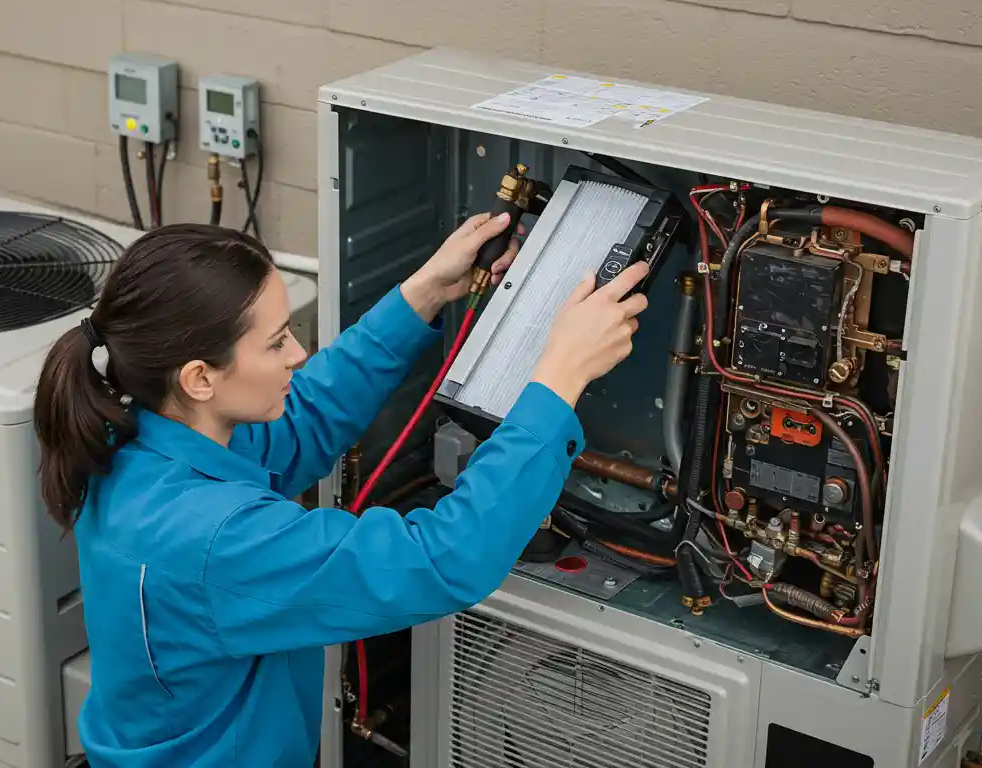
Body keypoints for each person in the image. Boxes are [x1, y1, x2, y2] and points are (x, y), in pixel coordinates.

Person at [33, 213, 650, 767]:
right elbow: (437, 560)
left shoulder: (141, 435)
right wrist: (557, 381)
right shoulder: (211, 538)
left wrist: (425, 293)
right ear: (200, 378)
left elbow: (299, 424)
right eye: (275, 343)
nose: (298, 353)